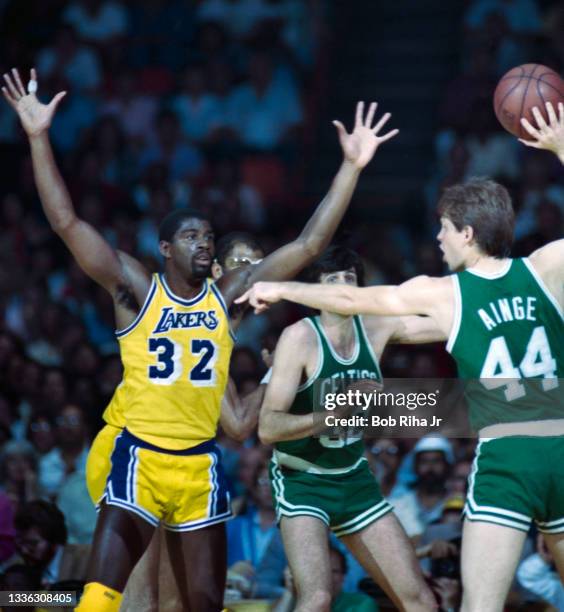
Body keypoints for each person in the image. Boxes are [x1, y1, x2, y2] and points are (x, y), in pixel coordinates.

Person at [2, 67, 398, 612]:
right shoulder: (136, 290)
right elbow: (67, 222)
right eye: (192, 236)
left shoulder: (226, 296)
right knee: (105, 598)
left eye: (210, 236)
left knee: (201, 605)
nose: (205, 243)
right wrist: (38, 137)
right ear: (165, 248)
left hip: (199, 466)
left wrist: (351, 168)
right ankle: (37, 598)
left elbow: (308, 244)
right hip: (136, 455)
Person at [237, 102, 564, 612]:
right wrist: (560, 147)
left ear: (467, 234)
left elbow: (353, 302)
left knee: (459, 605)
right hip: (556, 446)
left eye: (444, 229)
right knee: (323, 595)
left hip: (499, 457)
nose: (437, 238)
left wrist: (280, 286)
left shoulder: (440, 295)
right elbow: (269, 425)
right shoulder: (546, 267)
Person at [258, 246, 443, 611]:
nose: (343, 287)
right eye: (332, 280)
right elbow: (268, 428)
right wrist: (333, 413)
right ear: (314, 293)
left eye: (349, 279)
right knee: (317, 598)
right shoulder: (299, 338)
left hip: (355, 478)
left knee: (419, 598)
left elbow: (447, 323)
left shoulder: (375, 327)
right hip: (303, 480)